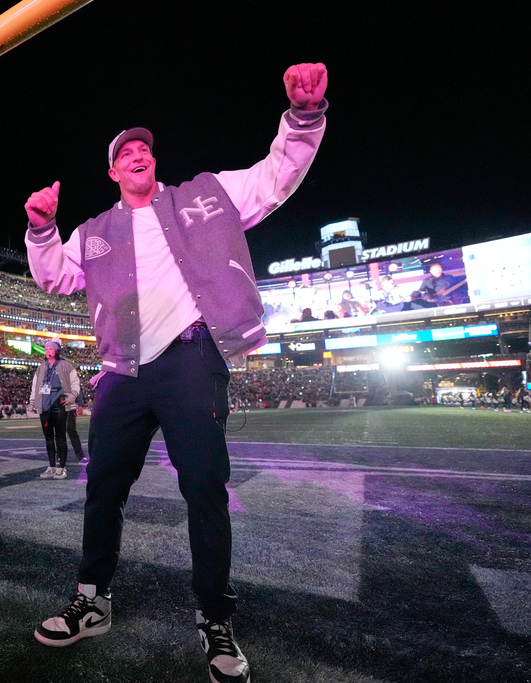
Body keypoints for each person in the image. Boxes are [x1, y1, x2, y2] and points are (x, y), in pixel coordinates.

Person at [22, 63, 328, 683]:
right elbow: (53, 275)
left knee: (205, 490)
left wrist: (302, 117)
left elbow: (276, 176)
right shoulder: (94, 231)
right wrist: (40, 228)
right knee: (102, 487)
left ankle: (215, 617)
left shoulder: (204, 196)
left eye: (144, 147)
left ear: (152, 162)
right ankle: (92, 597)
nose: (137, 153)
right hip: (122, 371)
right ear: (112, 172)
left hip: (192, 358)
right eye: (124, 152)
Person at [29, 338, 79, 479]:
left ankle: (61, 467)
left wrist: (73, 395)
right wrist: (32, 401)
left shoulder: (66, 365)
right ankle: (51, 466)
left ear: (56, 351)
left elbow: (75, 382)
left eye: (50, 349)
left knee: (60, 437)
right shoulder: (41, 367)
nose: (48, 351)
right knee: (48, 438)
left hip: (60, 404)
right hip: (44, 405)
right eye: (46, 349)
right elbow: (35, 386)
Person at [65, 364, 86, 463]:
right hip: (56, 406)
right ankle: (60, 455)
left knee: (71, 430)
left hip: (70, 405)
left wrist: (80, 403)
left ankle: (80, 454)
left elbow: (76, 387)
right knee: (58, 433)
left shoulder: (69, 372)